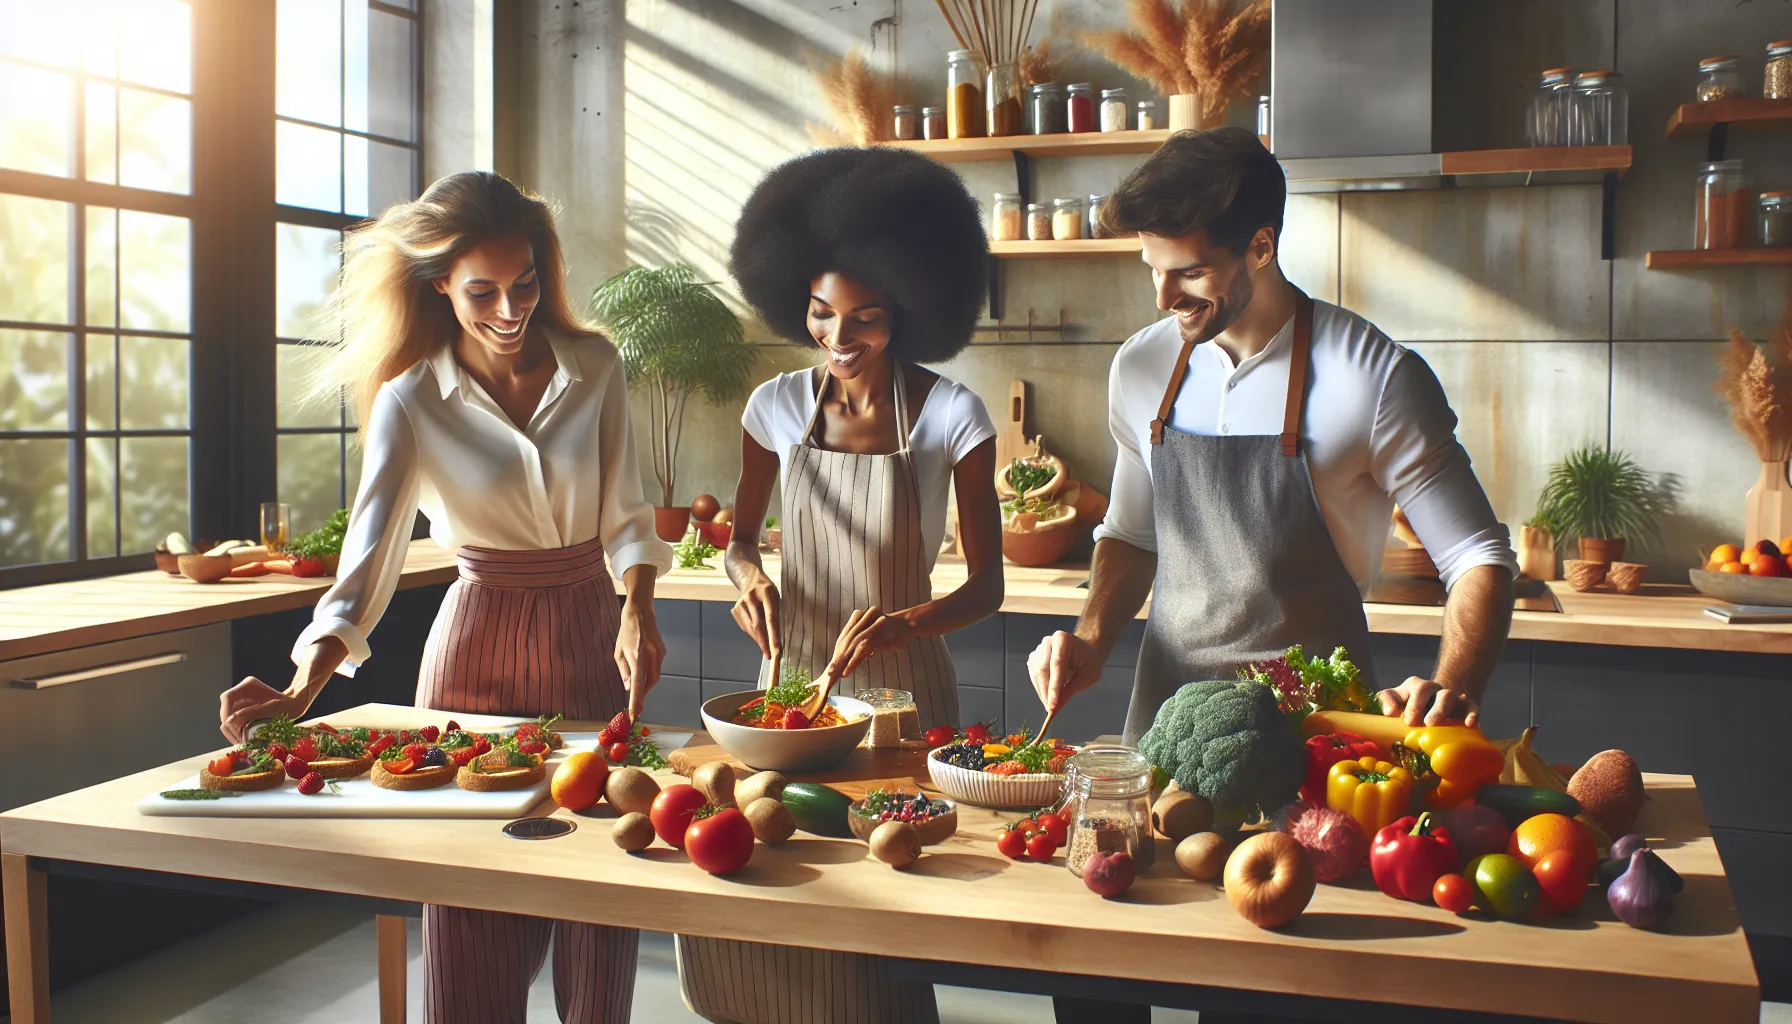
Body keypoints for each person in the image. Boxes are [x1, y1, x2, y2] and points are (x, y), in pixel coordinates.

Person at [1027, 128, 1519, 1022]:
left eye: (1189, 272)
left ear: (1262, 244)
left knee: (1267, 995)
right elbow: (1131, 531)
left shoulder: (1371, 375)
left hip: (1314, 763)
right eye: (1153, 269)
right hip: (1162, 735)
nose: (1165, 294)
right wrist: (1092, 636)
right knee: (1098, 979)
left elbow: (1479, 556)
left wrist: (1453, 688)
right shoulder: (1142, 366)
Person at [217, 171, 671, 1024]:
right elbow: (365, 567)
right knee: (472, 917)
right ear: (439, 287)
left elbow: (628, 518)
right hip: (476, 654)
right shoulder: (411, 400)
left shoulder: (596, 364)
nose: (511, 308)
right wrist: (299, 693)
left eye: (526, 281)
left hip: (588, 638)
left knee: (601, 898)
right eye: (483, 292)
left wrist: (637, 605)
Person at [676, 147, 1004, 1024]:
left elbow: (988, 587)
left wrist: (906, 622)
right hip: (799, 691)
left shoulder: (950, 415)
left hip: (905, 690)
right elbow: (739, 543)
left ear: (912, 309)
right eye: (822, 315)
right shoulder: (775, 406)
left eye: (867, 318)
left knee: (893, 895)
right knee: (790, 887)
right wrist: (747, 582)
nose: (840, 339)